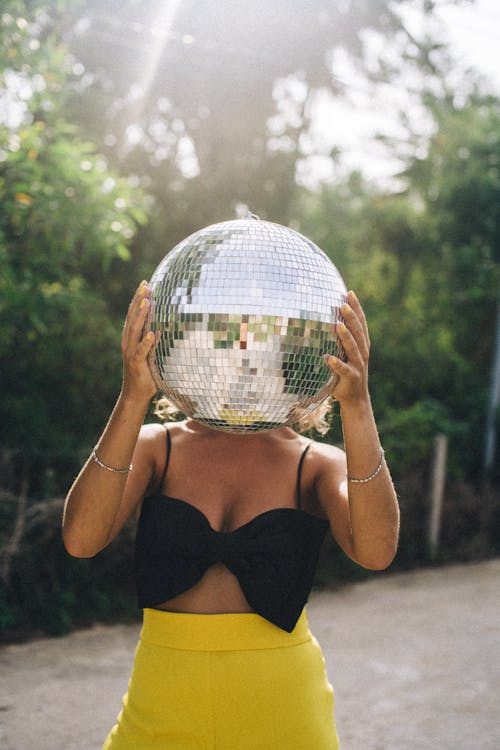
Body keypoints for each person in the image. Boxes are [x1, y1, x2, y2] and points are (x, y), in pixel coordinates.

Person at [62, 280, 399, 749]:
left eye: (258, 335)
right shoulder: (158, 448)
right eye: (227, 335)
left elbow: (377, 551)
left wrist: (358, 405)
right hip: (160, 708)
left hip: (283, 711)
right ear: (198, 344)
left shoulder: (317, 463)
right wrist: (132, 397)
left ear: (282, 350)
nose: (243, 349)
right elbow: (81, 539)